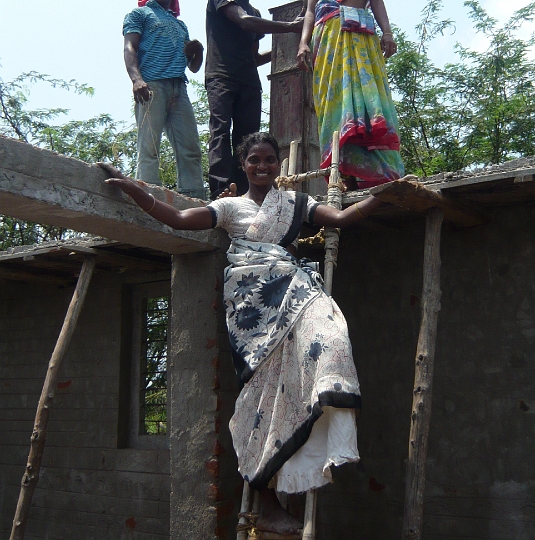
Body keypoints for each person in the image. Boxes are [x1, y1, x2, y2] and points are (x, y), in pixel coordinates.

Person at [100, 131, 387, 535]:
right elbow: (181, 220)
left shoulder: (295, 203)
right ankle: (267, 504)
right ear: (245, 164)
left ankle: (321, 410)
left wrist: (386, 196)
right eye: (256, 160)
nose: (264, 166)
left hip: (295, 293)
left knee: (332, 339)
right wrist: (134, 188)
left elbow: (339, 219)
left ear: (275, 163)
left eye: (270, 159)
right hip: (253, 310)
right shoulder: (230, 207)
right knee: (262, 400)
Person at [296, 0, 404, 188]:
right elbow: (310, 11)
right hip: (327, 40)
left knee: (368, 100)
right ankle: (343, 175)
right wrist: (303, 42)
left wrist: (388, 33)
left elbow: (377, 1)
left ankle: (380, 174)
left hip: (359, 37)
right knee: (334, 102)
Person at [205, 0, 303, 199]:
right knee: (220, 130)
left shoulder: (256, 12)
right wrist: (290, 28)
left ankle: (244, 190)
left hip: (248, 81)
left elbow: (254, 57)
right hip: (221, 77)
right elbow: (244, 22)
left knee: (247, 140)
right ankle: (221, 188)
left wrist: (293, 44)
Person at [123, 0, 205, 199]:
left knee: (190, 149)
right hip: (152, 86)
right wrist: (136, 80)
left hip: (179, 89)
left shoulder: (180, 25)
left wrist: (198, 52)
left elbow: (194, 67)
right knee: (149, 147)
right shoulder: (139, 14)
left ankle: (195, 200)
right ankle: (149, 197)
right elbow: (129, 47)